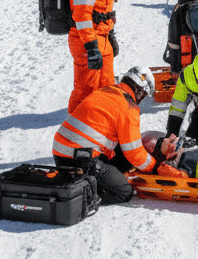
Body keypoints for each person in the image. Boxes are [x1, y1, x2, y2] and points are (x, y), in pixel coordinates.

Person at [52, 66, 158, 204]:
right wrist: (154, 167)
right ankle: (82, 197)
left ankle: (96, 177)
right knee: (124, 193)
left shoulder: (105, 91)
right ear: (139, 90)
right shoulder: (128, 106)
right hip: (81, 160)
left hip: (61, 153)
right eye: (143, 95)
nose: (141, 99)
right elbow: (133, 152)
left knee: (120, 154)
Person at [67, 0, 131, 112]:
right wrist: (91, 47)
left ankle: (100, 128)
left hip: (102, 40)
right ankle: (75, 133)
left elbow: (102, 10)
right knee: (85, 92)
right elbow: (82, 15)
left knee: (107, 90)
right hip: (86, 42)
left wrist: (110, 35)